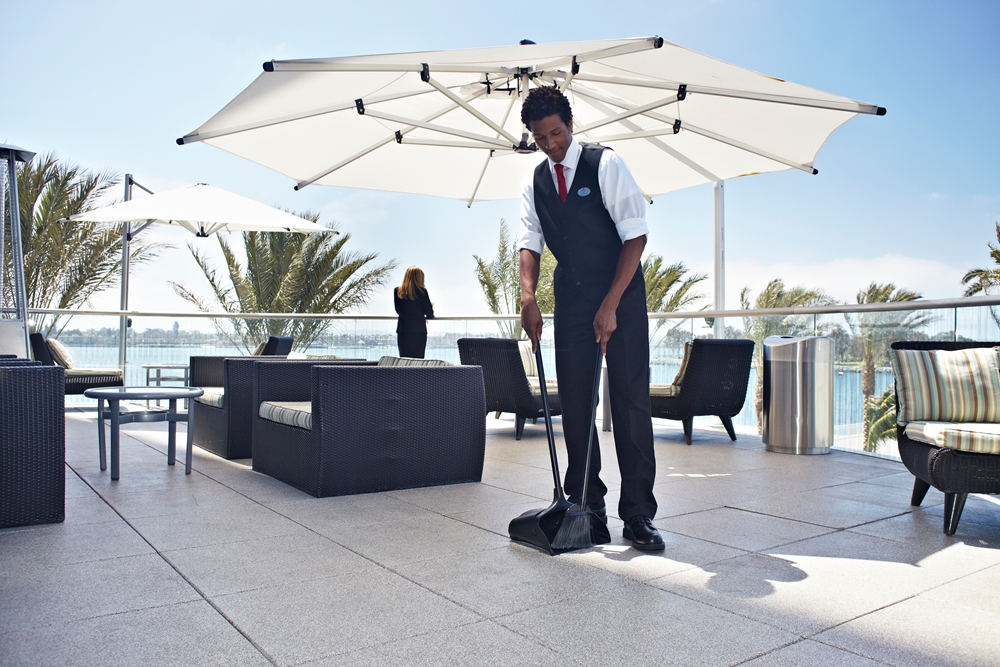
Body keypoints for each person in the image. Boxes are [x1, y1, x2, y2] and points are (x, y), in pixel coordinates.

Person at [518, 86, 663, 551]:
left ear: (570, 124)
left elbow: (635, 236)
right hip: (573, 300)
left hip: (622, 295)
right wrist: (527, 296)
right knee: (577, 404)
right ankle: (587, 506)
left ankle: (638, 514)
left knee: (630, 403)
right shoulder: (536, 182)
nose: (550, 144)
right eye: (540, 138)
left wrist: (611, 304)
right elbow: (530, 241)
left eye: (556, 133)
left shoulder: (606, 164)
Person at [394, 266, 435, 358]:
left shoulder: (397, 291)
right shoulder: (422, 291)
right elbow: (429, 313)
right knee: (418, 360)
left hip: (403, 330)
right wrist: (429, 305)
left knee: (404, 360)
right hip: (418, 330)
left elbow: (398, 310)